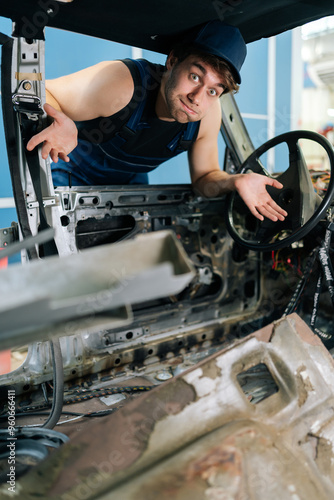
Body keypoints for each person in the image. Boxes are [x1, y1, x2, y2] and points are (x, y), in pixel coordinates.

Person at [27, 20, 287, 223]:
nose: (197, 98)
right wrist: (61, 121)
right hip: (74, 173)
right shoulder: (123, 84)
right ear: (172, 61)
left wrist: (235, 181)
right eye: (196, 76)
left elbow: (204, 180)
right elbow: (37, 91)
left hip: (130, 184)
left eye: (213, 90)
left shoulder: (207, 114)